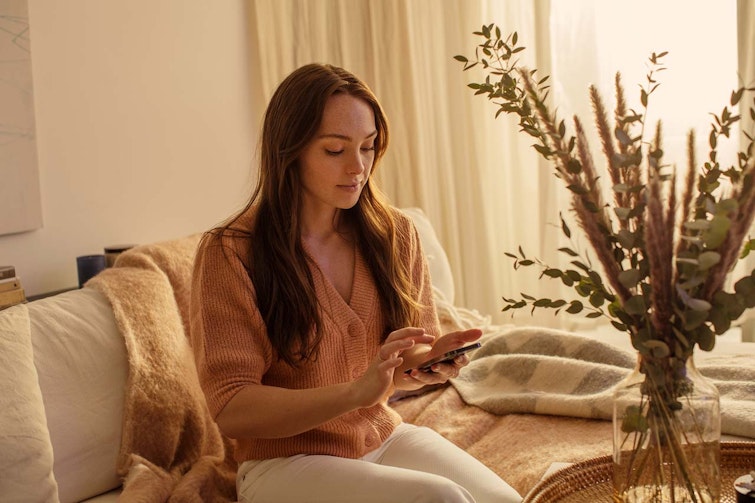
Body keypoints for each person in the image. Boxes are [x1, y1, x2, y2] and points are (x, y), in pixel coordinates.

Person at [190, 63, 522, 503]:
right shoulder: (230, 253)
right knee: (440, 499)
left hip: (377, 439)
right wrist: (354, 393)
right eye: (334, 150)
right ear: (289, 151)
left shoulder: (394, 234)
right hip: (283, 465)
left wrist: (429, 360)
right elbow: (233, 409)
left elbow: (396, 370)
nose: (358, 167)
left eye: (368, 148)